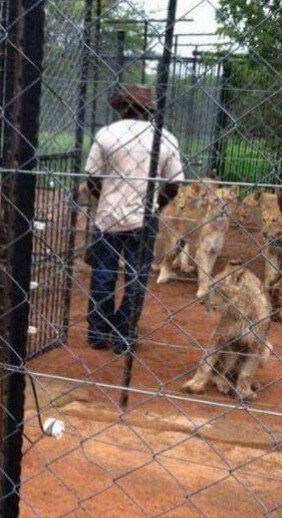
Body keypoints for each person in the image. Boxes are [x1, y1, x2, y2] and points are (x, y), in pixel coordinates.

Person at [85, 84, 184, 354]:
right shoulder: (166, 138)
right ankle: (123, 335)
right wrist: (155, 206)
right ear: (148, 110)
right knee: (135, 277)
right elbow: (174, 185)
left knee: (104, 273)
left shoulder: (106, 134)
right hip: (144, 216)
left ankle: (98, 331)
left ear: (122, 108)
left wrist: (107, 198)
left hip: (108, 216)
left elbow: (92, 179)